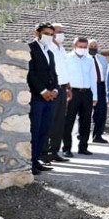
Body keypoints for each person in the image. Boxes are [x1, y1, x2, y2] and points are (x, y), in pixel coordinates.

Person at [27, 23, 59, 175]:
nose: (49, 36)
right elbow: (31, 73)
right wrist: (43, 91)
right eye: (46, 33)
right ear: (37, 33)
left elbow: (53, 74)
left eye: (51, 34)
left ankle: (36, 160)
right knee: (34, 130)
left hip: (49, 98)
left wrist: (55, 90)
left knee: (44, 130)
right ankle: (30, 162)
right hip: (36, 97)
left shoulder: (50, 52)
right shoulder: (30, 49)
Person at [62, 37, 97, 158]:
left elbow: (93, 78)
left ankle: (83, 147)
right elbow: (63, 75)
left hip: (86, 93)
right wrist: (66, 91)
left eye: (84, 47)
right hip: (72, 92)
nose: (82, 49)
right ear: (74, 46)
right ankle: (66, 148)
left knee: (86, 121)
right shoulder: (67, 58)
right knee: (68, 120)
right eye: (80, 46)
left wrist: (95, 96)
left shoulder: (89, 60)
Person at [41, 23, 71, 164]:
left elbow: (65, 69)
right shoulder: (48, 48)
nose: (61, 34)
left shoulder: (61, 49)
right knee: (49, 120)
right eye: (58, 32)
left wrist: (68, 87)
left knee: (59, 121)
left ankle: (54, 151)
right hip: (52, 88)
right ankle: (44, 152)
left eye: (62, 32)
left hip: (63, 88)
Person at [88, 39, 108, 144]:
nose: (94, 48)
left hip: (100, 86)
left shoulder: (103, 59)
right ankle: (82, 135)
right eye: (91, 46)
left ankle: (98, 135)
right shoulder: (84, 58)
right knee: (85, 112)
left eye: (95, 46)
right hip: (88, 87)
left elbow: (106, 73)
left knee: (101, 112)